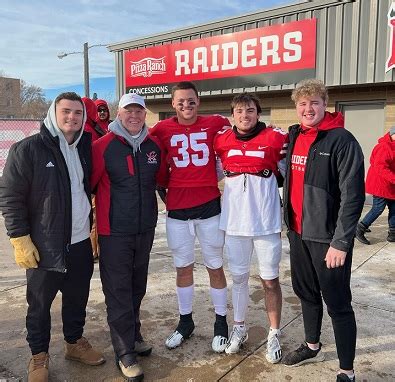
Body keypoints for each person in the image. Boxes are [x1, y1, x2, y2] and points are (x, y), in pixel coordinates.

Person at [0, 92, 105, 382]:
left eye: (78, 113)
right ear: (53, 114)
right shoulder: (28, 149)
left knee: (77, 299)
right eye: (66, 112)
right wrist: (19, 237)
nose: (72, 117)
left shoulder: (85, 146)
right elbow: (10, 196)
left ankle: (74, 343)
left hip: (81, 241)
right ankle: (38, 356)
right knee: (39, 306)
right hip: (45, 245)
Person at [282, 79, 365, 382]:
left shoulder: (342, 140)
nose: (308, 108)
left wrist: (341, 242)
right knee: (305, 293)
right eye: (302, 103)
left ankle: (347, 370)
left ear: (324, 104)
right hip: (298, 233)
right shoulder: (294, 136)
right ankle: (312, 344)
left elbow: (353, 196)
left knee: (338, 303)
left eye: (314, 102)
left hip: (328, 239)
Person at [150, 81, 232, 353]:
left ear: (199, 101)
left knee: (214, 265)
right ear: (172, 104)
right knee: (183, 268)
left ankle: (221, 321)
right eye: (181, 101)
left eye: (191, 100)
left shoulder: (215, 122)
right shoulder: (161, 129)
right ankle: (186, 321)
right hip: (177, 209)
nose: (186, 105)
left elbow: (237, 134)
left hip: (209, 206)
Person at [91, 93, 167, 382]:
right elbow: (90, 185)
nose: (134, 116)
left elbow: (159, 180)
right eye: (128, 111)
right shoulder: (103, 146)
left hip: (144, 229)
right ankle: (124, 353)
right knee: (118, 293)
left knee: (137, 287)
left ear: (145, 114)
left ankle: (133, 336)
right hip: (114, 232)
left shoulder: (153, 146)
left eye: (139, 111)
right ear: (118, 114)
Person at [214, 93, 288, 362]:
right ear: (233, 114)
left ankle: (274, 332)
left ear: (258, 112)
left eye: (250, 110)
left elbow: (288, 172)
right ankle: (239, 327)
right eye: (240, 111)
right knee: (239, 279)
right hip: (234, 223)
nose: (245, 115)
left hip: (266, 222)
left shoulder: (275, 138)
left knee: (269, 281)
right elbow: (212, 173)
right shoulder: (221, 140)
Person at [355, 126, 395, 244]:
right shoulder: (384, 147)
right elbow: (380, 167)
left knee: (394, 207)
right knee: (378, 208)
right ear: (392, 134)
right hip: (380, 184)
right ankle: (360, 228)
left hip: (390, 184)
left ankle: (393, 232)